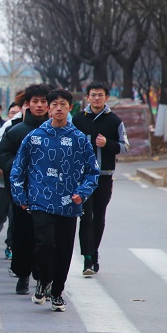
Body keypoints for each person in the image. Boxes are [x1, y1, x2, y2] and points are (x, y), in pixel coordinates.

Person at [10, 89, 99, 312]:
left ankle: (57, 292)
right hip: (40, 200)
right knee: (45, 243)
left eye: (63, 105)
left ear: (70, 108)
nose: (59, 108)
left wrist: (82, 192)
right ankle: (44, 280)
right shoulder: (34, 137)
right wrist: (21, 196)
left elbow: (92, 172)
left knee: (64, 250)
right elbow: (18, 168)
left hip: (69, 203)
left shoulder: (79, 139)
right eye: (55, 104)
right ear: (49, 108)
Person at [0, 84, 52, 295]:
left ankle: (42, 276)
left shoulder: (56, 131)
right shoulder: (15, 131)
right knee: (22, 235)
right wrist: (21, 168)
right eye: (35, 101)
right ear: (27, 104)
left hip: (49, 195)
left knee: (45, 238)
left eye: (43, 101)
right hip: (23, 194)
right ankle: (22, 275)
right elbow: (3, 155)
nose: (39, 106)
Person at [72, 81, 129, 275]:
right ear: (87, 97)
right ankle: (87, 259)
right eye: (93, 95)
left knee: (99, 217)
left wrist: (108, 144)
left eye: (100, 95)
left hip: (104, 176)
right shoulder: (78, 119)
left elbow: (125, 146)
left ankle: (94, 252)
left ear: (106, 97)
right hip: (82, 178)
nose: (97, 98)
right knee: (85, 216)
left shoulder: (114, 121)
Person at [0, 100, 22, 258]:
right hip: (0, 183)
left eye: (18, 113)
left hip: (17, 185)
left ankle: (10, 245)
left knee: (14, 216)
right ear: (7, 115)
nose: (15, 116)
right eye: (12, 113)